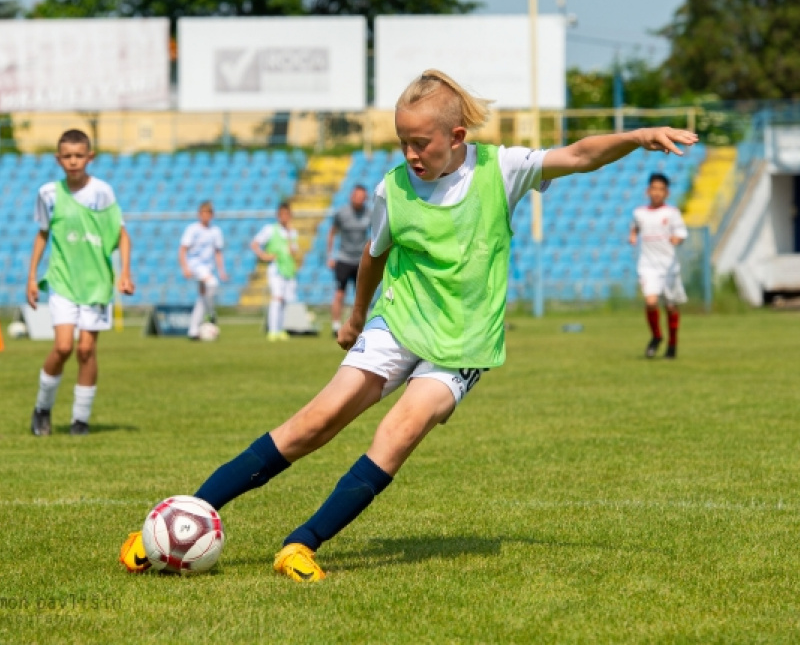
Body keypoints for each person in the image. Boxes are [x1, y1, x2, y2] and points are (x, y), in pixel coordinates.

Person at [120, 69, 697, 579]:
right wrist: (353, 317)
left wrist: (635, 136)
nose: (411, 153)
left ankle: (301, 545)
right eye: (402, 141)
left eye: (421, 142)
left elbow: (579, 154)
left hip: (463, 342)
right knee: (312, 423)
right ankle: (179, 522)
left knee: (398, 432)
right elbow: (373, 255)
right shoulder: (392, 188)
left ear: (457, 137)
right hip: (397, 322)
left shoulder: (503, 169)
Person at [28, 129, 134, 437]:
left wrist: (125, 272)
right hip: (62, 280)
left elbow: (122, 234)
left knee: (86, 350)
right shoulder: (48, 193)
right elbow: (43, 234)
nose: (73, 161)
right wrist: (32, 276)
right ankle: (42, 408)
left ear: (90, 157)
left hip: (96, 283)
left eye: (79, 155)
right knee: (63, 346)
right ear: (58, 159)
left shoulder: (103, 192)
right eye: (67, 156)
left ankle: (80, 421)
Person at [629, 173, 688, 359]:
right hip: (647, 265)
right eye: (653, 188)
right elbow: (635, 226)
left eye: (660, 189)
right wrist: (633, 234)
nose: (656, 193)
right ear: (648, 190)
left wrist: (676, 239)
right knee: (651, 302)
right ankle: (656, 336)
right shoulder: (639, 212)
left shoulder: (672, 213)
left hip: (668, 266)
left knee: (670, 307)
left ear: (666, 193)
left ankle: (672, 344)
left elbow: (680, 233)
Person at [251, 202, 300, 342]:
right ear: (278, 216)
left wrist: (290, 237)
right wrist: (264, 256)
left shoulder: (293, 232)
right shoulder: (270, 229)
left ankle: (281, 329)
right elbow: (255, 243)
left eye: (287, 214)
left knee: (285, 300)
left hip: (288, 269)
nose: (284, 217)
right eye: (282, 214)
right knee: (277, 297)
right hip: (276, 268)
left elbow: (293, 252)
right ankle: (272, 330)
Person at [179, 201, 227, 340]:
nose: (205, 216)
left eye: (208, 213)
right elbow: (182, 249)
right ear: (199, 214)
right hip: (195, 265)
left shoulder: (215, 231)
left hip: (208, 267)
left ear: (212, 215)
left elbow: (218, 252)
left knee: (201, 298)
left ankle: (193, 331)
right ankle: (211, 313)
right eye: (203, 213)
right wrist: (185, 267)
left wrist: (222, 271)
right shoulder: (192, 229)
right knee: (212, 284)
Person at [327, 185, 370, 336]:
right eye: (357, 196)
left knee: (361, 295)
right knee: (340, 293)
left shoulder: (369, 214)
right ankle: (335, 325)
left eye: (362, 196)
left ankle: (359, 325)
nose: (359, 199)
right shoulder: (341, 214)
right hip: (344, 259)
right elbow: (332, 233)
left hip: (361, 260)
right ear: (352, 196)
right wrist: (330, 256)